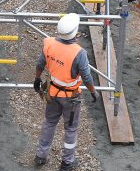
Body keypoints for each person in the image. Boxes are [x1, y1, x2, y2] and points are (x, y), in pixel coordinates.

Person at [33, 13, 98, 170]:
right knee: (70, 128)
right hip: (71, 98)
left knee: (49, 122)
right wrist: (93, 92)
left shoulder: (49, 44)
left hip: (52, 93)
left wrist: (37, 79)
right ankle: (67, 162)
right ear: (75, 32)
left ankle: (40, 156)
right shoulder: (78, 52)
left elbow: (40, 64)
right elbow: (86, 76)